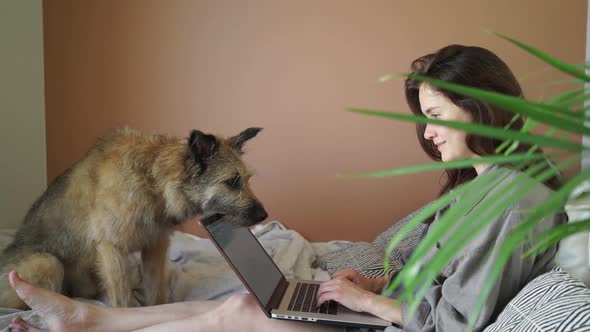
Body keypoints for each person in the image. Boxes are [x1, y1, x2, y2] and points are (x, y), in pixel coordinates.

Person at [7, 44, 564, 332]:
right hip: (386, 310)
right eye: (425, 117)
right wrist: (373, 281)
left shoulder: (517, 204)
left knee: (241, 314)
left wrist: (367, 303)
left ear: (482, 107)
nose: (429, 133)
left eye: (438, 114)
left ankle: (89, 320)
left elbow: (452, 322)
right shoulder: (480, 187)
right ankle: (91, 318)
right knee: (256, 301)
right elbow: (439, 278)